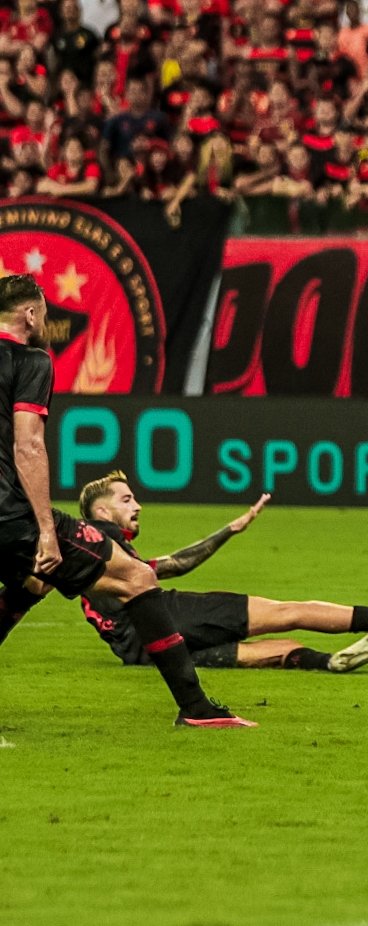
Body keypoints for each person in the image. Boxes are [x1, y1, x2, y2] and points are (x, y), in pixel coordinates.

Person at [0, 275, 252, 727]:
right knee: (136, 577)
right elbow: (28, 447)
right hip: (9, 515)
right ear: (31, 314)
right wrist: (44, 530)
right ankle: (195, 709)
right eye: (44, 312)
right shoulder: (30, 360)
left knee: (32, 583)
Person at [75, 471, 368, 671]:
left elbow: (167, 566)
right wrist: (230, 530)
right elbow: (173, 567)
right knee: (290, 612)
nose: (137, 505)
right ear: (103, 513)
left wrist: (228, 531)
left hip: (148, 653)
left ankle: (330, 663)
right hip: (172, 616)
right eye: (126, 500)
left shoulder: (100, 558)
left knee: (276, 651)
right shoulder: (101, 537)